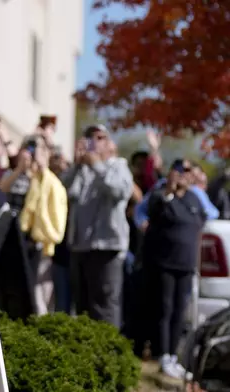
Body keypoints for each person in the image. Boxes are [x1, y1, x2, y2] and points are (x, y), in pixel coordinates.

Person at [141, 159, 206, 378]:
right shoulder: (161, 195)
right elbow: (152, 211)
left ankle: (173, 356)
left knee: (179, 311)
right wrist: (169, 190)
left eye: (188, 172)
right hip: (164, 264)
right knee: (165, 310)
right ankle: (162, 353)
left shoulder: (194, 198)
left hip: (186, 265)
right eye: (180, 171)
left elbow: (202, 219)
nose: (184, 175)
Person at [65, 124, 133, 328]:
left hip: (107, 247)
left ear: (110, 144)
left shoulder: (118, 166)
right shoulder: (81, 170)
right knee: (83, 306)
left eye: (100, 137)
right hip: (80, 246)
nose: (94, 141)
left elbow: (120, 191)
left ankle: (108, 355)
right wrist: (77, 166)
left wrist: (97, 166)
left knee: (104, 305)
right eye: (89, 136)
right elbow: (64, 191)